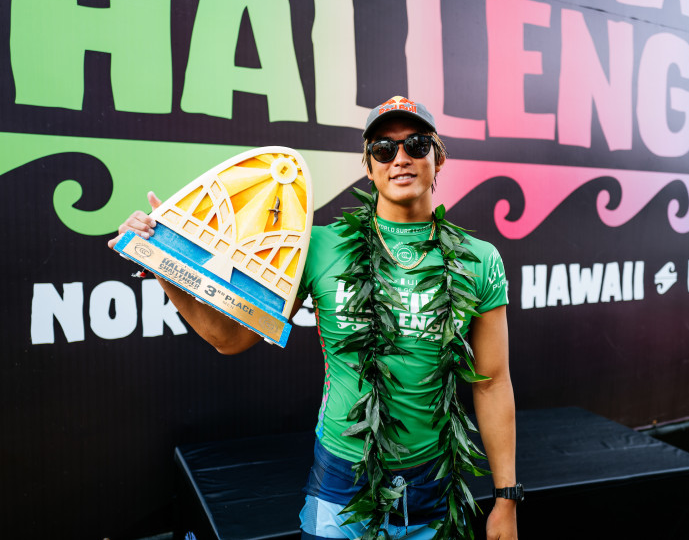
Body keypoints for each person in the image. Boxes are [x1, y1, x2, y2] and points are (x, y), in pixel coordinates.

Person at [108, 96, 518, 539]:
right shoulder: (319, 247)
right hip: (342, 476)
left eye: (416, 145)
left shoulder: (480, 260)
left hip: (433, 481)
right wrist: (159, 260)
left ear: (439, 158)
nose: (400, 159)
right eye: (383, 149)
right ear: (368, 165)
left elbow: (492, 382)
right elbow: (229, 339)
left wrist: (506, 498)